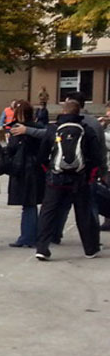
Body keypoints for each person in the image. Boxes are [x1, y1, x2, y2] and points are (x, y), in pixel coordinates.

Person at [33, 99, 102, 261]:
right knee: (84, 214)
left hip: (55, 180)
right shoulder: (87, 130)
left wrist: (49, 171)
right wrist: (89, 175)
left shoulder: (53, 129)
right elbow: (96, 157)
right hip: (80, 180)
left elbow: (42, 156)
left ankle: (42, 248)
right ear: (79, 112)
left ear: (63, 111)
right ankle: (90, 249)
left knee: (48, 213)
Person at [5, 100, 44, 248]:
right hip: (38, 168)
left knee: (28, 205)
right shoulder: (39, 128)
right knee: (32, 204)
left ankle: (28, 237)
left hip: (23, 169)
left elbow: (12, 148)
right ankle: (34, 234)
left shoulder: (17, 129)